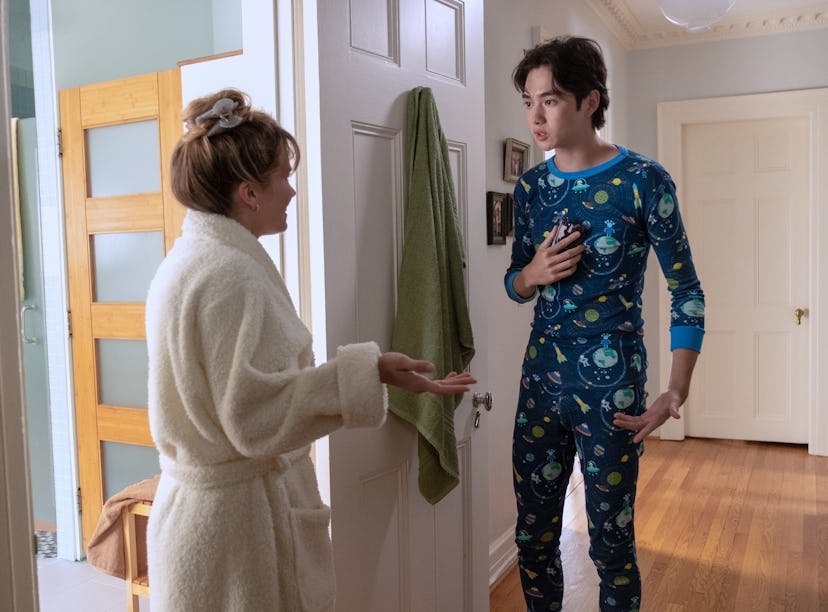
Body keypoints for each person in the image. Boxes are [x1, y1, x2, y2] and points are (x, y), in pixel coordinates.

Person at [145, 88, 475, 611]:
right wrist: (366, 374)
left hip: (206, 523)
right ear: (249, 193)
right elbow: (253, 418)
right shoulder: (230, 276)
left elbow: (242, 396)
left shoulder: (191, 259)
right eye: (283, 177)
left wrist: (374, 369)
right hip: (238, 537)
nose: (292, 190)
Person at [504, 37, 704, 611]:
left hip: (611, 387)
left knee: (611, 548)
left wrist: (675, 391)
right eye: (528, 102)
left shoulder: (644, 180)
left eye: (550, 100)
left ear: (590, 101)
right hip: (541, 380)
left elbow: (687, 292)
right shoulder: (531, 188)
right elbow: (516, 284)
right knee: (532, 540)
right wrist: (532, 274)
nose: (535, 117)